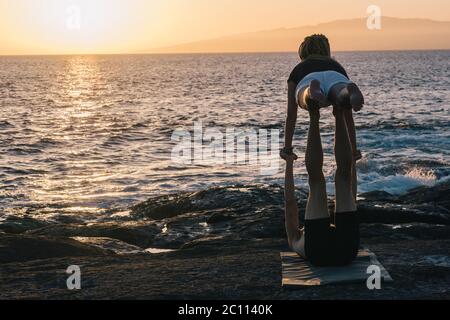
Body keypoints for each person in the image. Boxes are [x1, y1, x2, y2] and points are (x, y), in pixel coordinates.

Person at [281, 34, 364, 266]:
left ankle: (311, 100)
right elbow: (349, 118)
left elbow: (291, 114)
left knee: (337, 179)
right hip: (337, 77)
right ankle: (344, 94)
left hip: (347, 249)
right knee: (341, 101)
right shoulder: (335, 64)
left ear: (303, 53)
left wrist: (288, 150)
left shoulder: (299, 68)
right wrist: (354, 148)